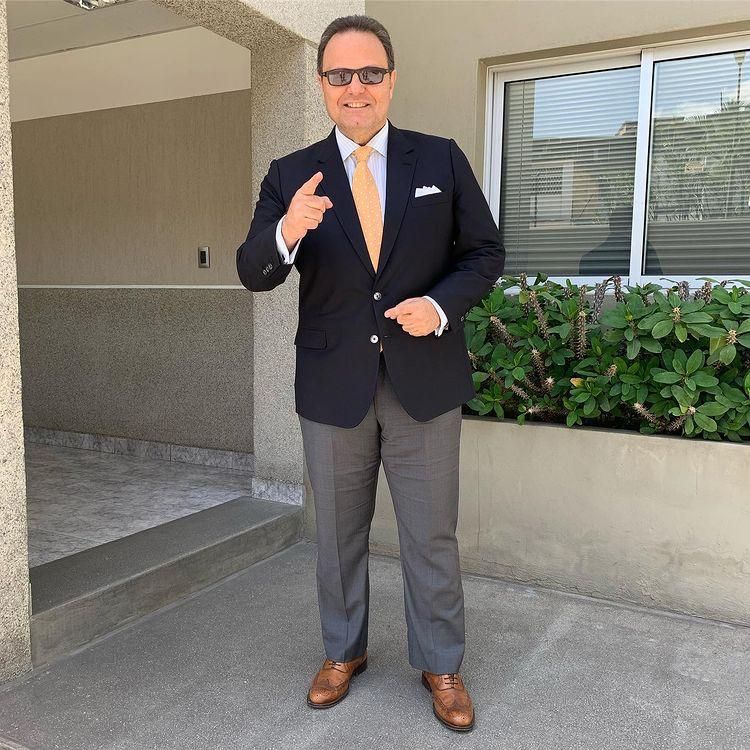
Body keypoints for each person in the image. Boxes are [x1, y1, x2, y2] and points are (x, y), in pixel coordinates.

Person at [236, 14, 505, 733]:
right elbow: (253, 270)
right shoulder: (290, 175)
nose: (355, 87)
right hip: (334, 386)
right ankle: (342, 649)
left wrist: (440, 308)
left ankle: (441, 662)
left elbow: (484, 253)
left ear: (391, 80)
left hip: (425, 382)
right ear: (322, 83)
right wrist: (288, 229)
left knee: (431, 534)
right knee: (336, 535)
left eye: (370, 73)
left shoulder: (439, 160)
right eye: (339, 75)